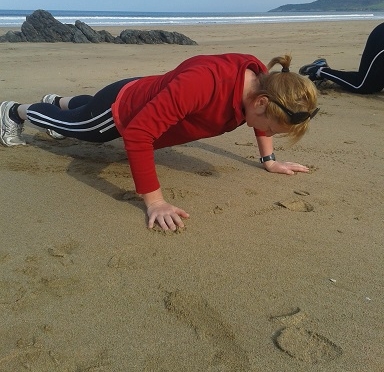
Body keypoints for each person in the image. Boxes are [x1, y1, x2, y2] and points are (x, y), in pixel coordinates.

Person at [0, 52, 319, 231]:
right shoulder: (205, 84)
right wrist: (155, 201)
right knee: (80, 129)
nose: (267, 133)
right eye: (271, 129)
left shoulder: (264, 84)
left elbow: (264, 123)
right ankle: (17, 111)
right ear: (261, 102)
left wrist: (270, 160)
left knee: (85, 109)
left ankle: (58, 101)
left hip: (146, 91)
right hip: (122, 110)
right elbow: (138, 134)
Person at [299, 21, 384, 94]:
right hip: (380, 38)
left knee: (374, 85)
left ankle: (324, 70)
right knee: (362, 85)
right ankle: (319, 70)